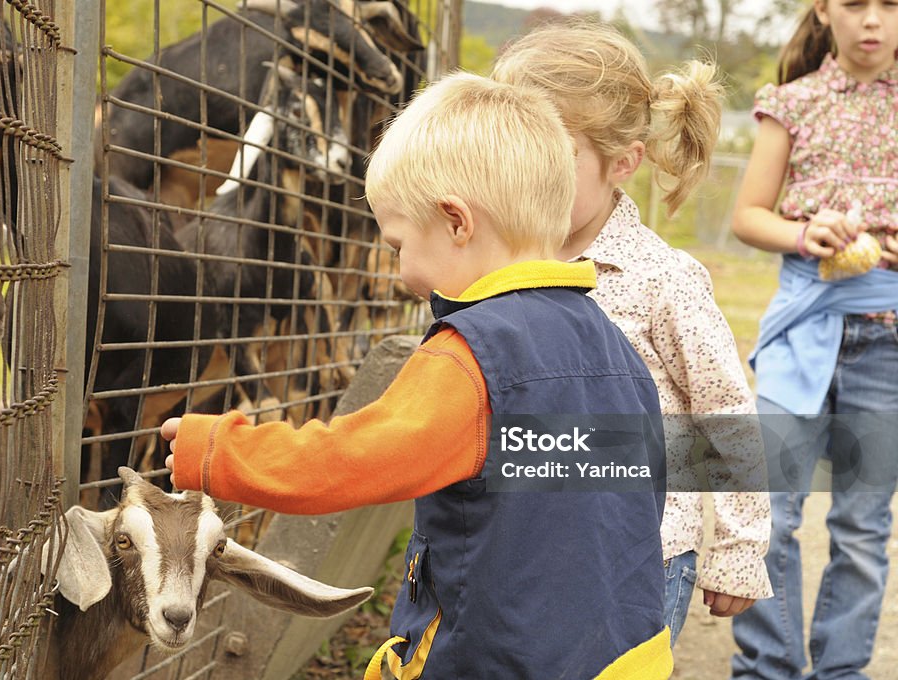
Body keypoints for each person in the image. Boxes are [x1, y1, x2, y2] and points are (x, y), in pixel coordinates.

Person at [161, 71, 673, 678]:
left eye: (398, 241)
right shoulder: (616, 347)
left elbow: (352, 460)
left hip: (498, 659)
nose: (400, 270)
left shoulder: (473, 356)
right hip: (623, 653)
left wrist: (218, 450)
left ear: (457, 222)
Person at [492, 17, 775, 650]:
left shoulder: (661, 280)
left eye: (551, 154)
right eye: (509, 148)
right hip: (523, 553)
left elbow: (726, 415)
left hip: (637, 560)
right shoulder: (493, 271)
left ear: (622, 161)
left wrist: (738, 547)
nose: (522, 174)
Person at [727, 1, 898, 677]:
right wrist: (803, 235)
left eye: (889, 3)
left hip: (887, 343)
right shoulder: (789, 103)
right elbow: (746, 215)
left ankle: (841, 672)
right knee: (768, 514)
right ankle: (767, 666)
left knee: (862, 530)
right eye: (854, 3)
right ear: (824, 11)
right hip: (803, 333)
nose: (872, 20)